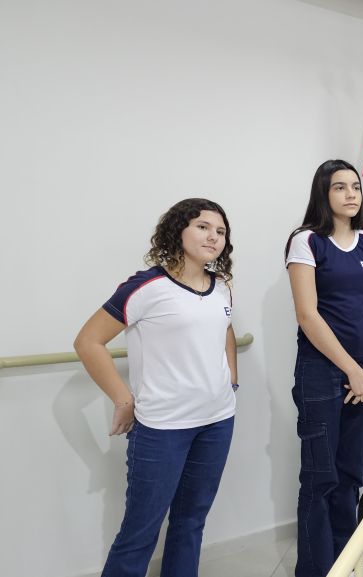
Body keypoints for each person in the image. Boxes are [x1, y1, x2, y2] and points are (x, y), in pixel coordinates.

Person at [74, 198, 238, 577]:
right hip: (162, 428)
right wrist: (122, 398)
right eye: (202, 227)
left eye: (220, 231)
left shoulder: (221, 288)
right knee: (140, 532)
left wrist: (231, 380)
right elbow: (88, 341)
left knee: (191, 522)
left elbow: (225, 330)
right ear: (178, 230)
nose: (213, 236)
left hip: (217, 422)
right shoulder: (147, 286)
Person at [285, 159, 363, 577]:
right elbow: (307, 315)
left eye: (355, 187)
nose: (351, 194)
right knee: (320, 477)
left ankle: (344, 565)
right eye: (339, 187)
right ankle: (315, 570)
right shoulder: (306, 242)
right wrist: (353, 370)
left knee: (349, 475)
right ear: (323, 194)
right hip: (322, 374)